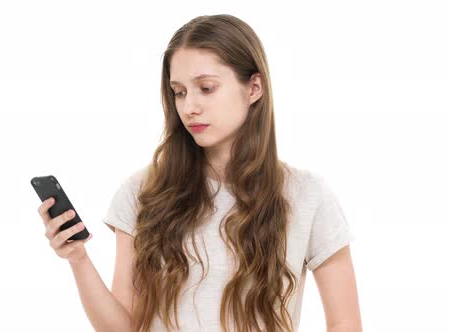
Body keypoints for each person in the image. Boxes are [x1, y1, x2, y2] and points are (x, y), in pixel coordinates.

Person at [37, 14, 362, 332]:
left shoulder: (306, 195)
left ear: (254, 88)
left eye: (206, 88)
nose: (189, 106)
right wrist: (78, 258)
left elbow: (345, 322)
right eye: (179, 92)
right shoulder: (143, 191)